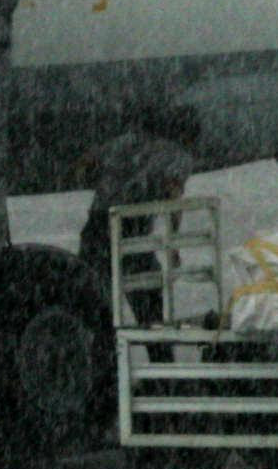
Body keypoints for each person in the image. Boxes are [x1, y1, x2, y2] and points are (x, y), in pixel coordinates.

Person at [77, 106, 198, 323]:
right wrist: (174, 246)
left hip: (97, 224)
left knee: (93, 300)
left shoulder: (124, 142)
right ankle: (159, 350)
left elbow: (87, 161)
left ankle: (103, 346)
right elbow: (173, 197)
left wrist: (105, 184)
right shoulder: (176, 155)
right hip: (133, 228)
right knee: (148, 299)